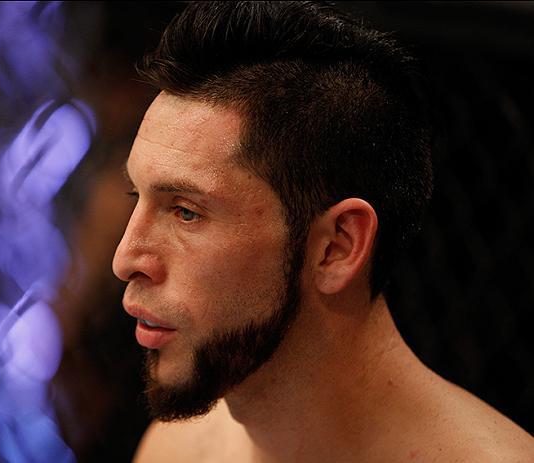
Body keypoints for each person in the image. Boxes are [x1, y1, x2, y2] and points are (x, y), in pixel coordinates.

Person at [111, 2, 534, 461]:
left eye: (186, 212)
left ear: (337, 247)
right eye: (137, 197)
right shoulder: (180, 448)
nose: (126, 259)